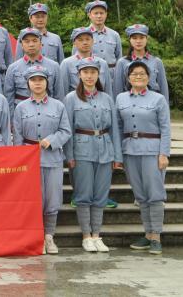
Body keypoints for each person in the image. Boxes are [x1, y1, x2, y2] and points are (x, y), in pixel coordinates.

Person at [64, 58, 122, 253]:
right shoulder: (71, 98)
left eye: (93, 72)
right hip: (82, 151)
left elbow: (114, 129)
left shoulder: (107, 98)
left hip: (105, 150)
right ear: (79, 75)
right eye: (85, 72)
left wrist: (117, 156)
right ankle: (86, 236)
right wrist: (69, 155)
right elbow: (68, 129)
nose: (89, 76)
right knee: (83, 195)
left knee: (100, 195)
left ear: (98, 75)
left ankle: (97, 235)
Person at [11, 66, 71, 255]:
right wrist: (21, 158)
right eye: (33, 80)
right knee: (34, 200)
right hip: (29, 161)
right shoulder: (21, 108)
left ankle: (49, 237)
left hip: (52, 158)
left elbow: (65, 131)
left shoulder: (58, 106)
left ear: (47, 82)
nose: (37, 83)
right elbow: (17, 136)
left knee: (52, 199)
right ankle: (36, 237)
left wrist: (51, 140)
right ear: (27, 83)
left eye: (41, 80)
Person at [116, 59, 171, 255]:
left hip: (152, 151)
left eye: (142, 74)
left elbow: (166, 128)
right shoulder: (120, 98)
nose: (138, 77)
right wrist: (118, 154)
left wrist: (164, 153)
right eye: (134, 74)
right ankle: (147, 234)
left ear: (149, 77)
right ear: (128, 78)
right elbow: (118, 128)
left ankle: (156, 236)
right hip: (130, 151)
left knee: (154, 194)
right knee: (140, 195)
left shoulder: (158, 99)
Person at [3, 28, 63, 107]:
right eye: (27, 41)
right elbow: (9, 98)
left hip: (48, 109)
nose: (31, 44)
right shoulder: (13, 68)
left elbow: (59, 96)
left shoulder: (54, 66)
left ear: (41, 44)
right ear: (22, 45)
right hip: (22, 111)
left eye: (35, 41)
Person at [115, 24, 170, 103]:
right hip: (130, 104)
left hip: (153, 104)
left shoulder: (157, 62)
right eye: (134, 38)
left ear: (146, 39)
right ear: (130, 40)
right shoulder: (122, 62)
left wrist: (165, 107)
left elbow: (164, 89)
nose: (138, 41)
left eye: (141, 37)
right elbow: (118, 90)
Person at [60, 27, 114, 97]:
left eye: (88, 39)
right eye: (80, 40)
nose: (85, 42)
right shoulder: (67, 63)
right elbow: (63, 92)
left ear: (93, 41)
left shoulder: (102, 63)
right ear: (74, 43)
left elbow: (108, 91)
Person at [84, 0, 123, 73]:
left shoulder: (114, 35)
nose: (99, 16)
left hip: (112, 75)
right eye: (96, 13)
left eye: (101, 13)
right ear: (89, 15)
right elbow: (76, 58)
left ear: (106, 14)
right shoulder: (82, 35)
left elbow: (119, 58)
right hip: (91, 74)